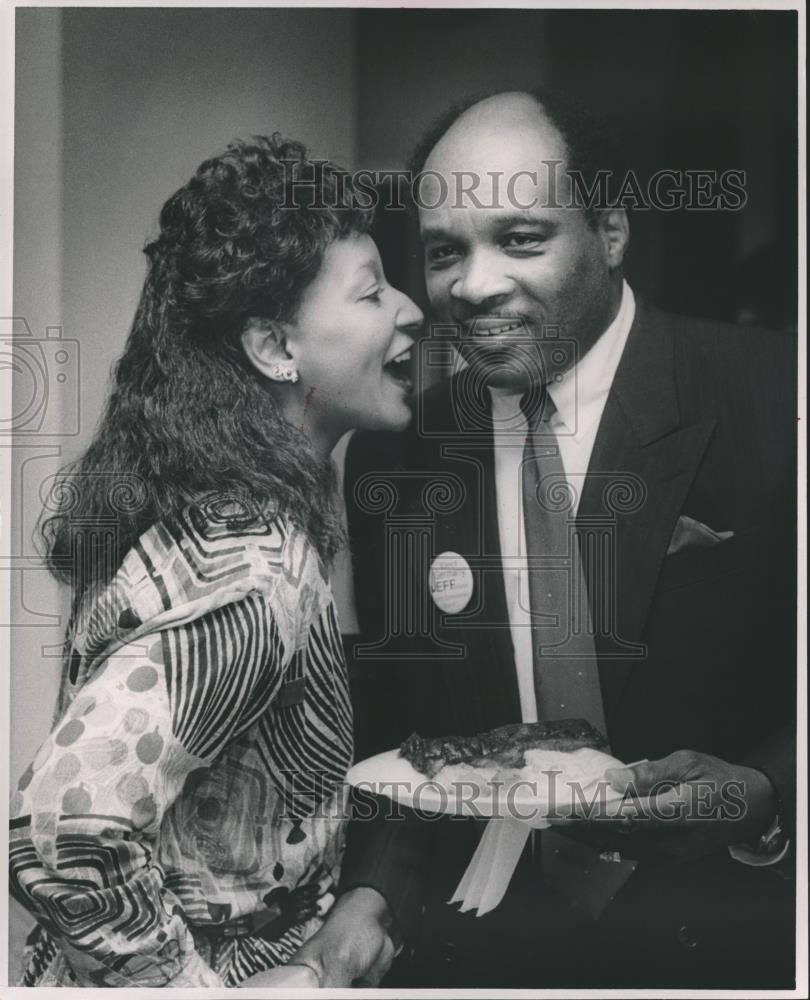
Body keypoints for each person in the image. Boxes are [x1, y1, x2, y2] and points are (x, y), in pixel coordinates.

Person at [333, 90, 797, 987]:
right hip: (494, 942)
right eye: (443, 251)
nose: (473, 284)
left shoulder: (777, 394)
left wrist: (770, 794)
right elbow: (407, 737)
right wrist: (371, 898)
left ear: (611, 230)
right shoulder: (401, 456)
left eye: (520, 237)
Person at [8, 134, 422, 987]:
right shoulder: (254, 568)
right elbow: (62, 829)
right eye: (374, 291)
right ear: (275, 348)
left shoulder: (218, 508)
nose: (409, 309)